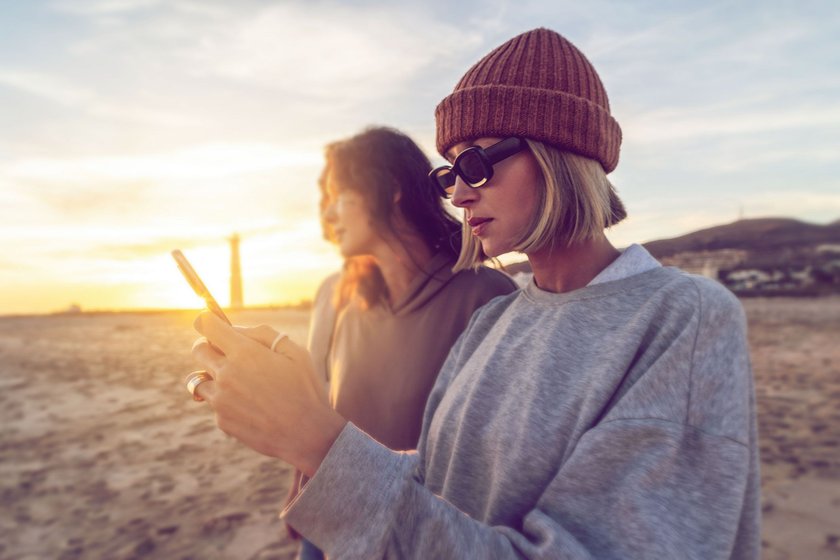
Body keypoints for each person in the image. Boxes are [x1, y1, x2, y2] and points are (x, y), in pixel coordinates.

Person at [188, 28, 760, 559]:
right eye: (449, 173)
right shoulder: (495, 319)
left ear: (561, 151)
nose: (459, 194)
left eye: (477, 162)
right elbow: (445, 482)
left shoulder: (682, 316)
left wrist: (319, 442)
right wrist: (307, 435)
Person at [288, 127, 517, 559]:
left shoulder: (486, 298)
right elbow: (332, 410)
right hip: (330, 520)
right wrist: (303, 484)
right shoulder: (347, 300)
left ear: (391, 189)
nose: (328, 215)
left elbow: (494, 468)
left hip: (422, 537)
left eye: (338, 196)